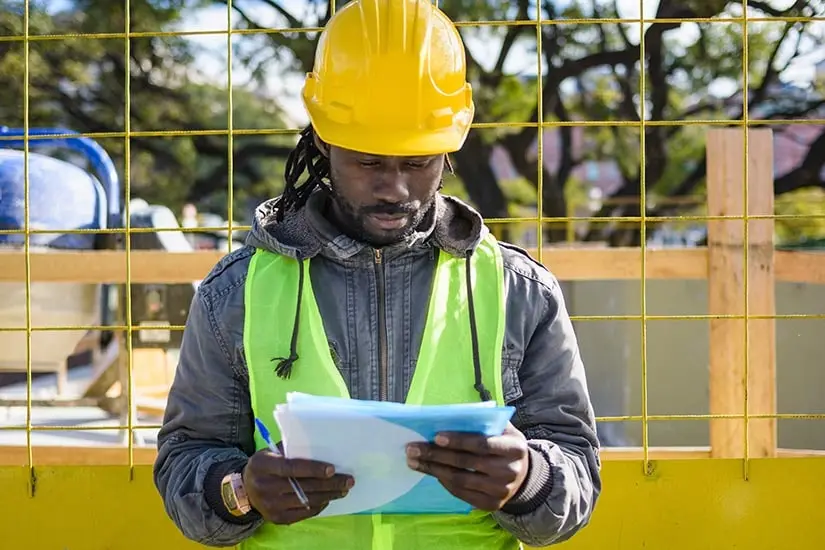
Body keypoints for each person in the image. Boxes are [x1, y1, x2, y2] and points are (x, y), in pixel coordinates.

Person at [153, 0, 601, 548]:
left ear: (448, 148)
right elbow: (185, 461)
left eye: (417, 163)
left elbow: (578, 471)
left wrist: (530, 479)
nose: (394, 188)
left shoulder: (519, 292)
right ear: (323, 141)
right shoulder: (237, 294)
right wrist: (239, 491)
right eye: (368, 162)